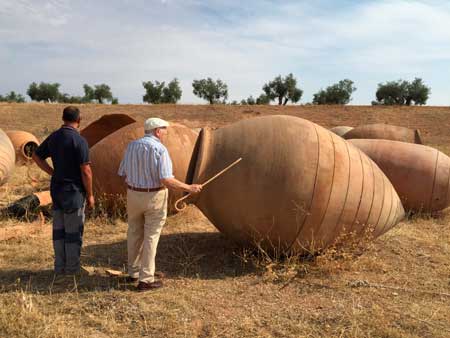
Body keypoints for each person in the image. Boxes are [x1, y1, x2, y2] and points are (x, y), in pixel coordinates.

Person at [118, 117, 202, 291]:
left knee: (134, 232)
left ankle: (134, 272)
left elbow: (122, 172)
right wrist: (189, 187)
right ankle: (146, 279)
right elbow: (166, 179)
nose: (166, 132)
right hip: (154, 196)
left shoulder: (131, 146)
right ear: (157, 131)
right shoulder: (160, 149)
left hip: (133, 194)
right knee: (151, 236)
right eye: (164, 129)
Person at [32, 106, 94, 276]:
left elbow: (36, 156)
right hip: (74, 192)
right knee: (73, 232)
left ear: (63, 118)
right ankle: (72, 269)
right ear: (79, 120)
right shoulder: (79, 141)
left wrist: (53, 172)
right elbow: (86, 171)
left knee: (59, 232)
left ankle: (59, 267)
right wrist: (90, 195)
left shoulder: (53, 137)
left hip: (57, 190)